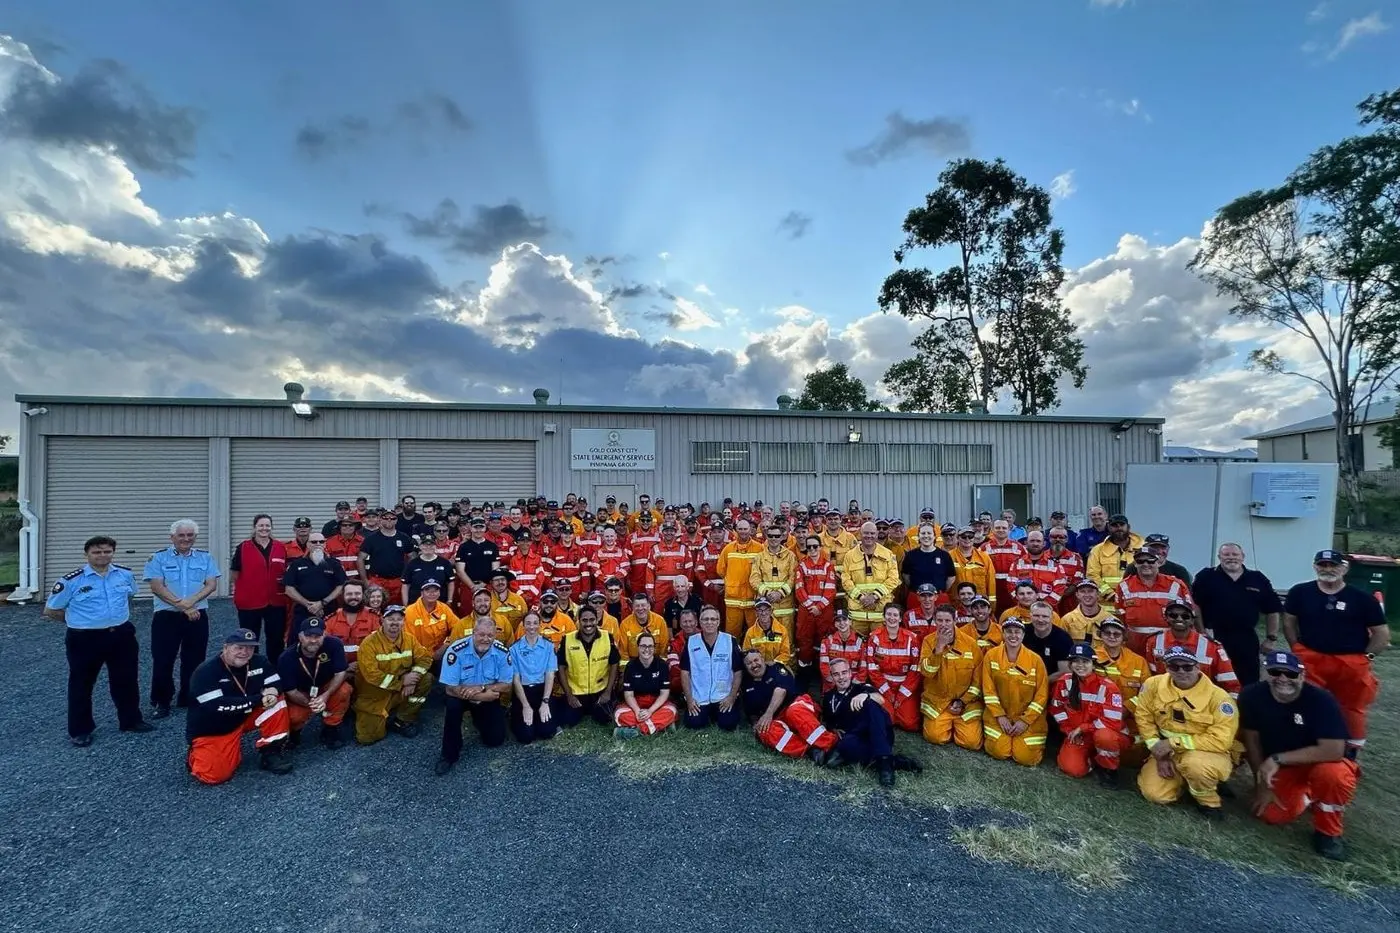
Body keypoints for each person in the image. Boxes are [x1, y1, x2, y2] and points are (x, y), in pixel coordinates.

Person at [1240, 651, 1358, 861]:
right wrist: (1262, 784)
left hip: (1324, 762)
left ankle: (1328, 834)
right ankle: (1309, 793)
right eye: (1275, 672)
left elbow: (1333, 750)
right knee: (1270, 815)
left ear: (1302, 676)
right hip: (1286, 769)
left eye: (1290, 674)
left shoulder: (1321, 700)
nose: (1283, 678)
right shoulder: (1251, 695)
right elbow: (1252, 742)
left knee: (1333, 775)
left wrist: (1277, 759)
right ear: (1266, 673)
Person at [44, 535, 154, 747]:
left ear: (113, 552)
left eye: (107, 551)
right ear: (87, 554)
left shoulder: (124, 574)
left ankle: (131, 720)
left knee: (126, 680)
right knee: (82, 684)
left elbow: (128, 597)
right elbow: (51, 610)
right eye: (97, 552)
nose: (102, 556)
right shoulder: (71, 581)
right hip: (84, 638)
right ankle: (80, 730)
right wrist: (79, 622)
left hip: (121, 635)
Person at [1283, 549, 1389, 756]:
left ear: (1345, 568)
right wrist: (1296, 647)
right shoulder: (1300, 592)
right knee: (1304, 700)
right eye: (1323, 565)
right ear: (1315, 567)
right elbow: (1289, 621)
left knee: (1352, 707)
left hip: (1350, 661)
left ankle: (1350, 750)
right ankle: (1305, 743)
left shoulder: (1363, 599)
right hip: (1312, 657)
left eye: (1334, 565)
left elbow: (1381, 633)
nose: (1328, 569)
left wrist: (1367, 657)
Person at [1135, 645, 1239, 820]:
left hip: (1205, 753)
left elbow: (1221, 740)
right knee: (1155, 795)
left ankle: (1208, 802)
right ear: (1167, 668)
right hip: (1165, 752)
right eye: (1174, 667)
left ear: (1198, 666)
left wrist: (1173, 743)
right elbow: (1143, 717)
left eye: (1187, 667)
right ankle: (1183, 783)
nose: (1181, 671)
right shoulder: (1152, 685)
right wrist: (1159, 753)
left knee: (1196, 766)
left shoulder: (1220, 699)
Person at [185, 629, 293, 784]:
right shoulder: (206, 671)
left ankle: (271, 752)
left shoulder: (259, 661)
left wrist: (271, 692)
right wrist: (259, 698)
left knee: (278, 701)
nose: (245, 652)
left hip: (244, 715)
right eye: (239, 647)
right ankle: (195, 755)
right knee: (215, 776)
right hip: (216, 727)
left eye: (249, 647)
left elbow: (276, 682)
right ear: (226, 647)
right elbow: (217, 706)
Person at [143, 519, 220, 718]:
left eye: (190, 535)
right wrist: (183, 606)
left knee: (195, 658)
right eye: (181, 535)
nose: (186, 539)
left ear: (195, 537)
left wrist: (190, 603)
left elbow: (211, 585)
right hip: (167, 616)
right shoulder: (158, 558)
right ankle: (162, 701)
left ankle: (190, 696)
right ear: (172, 537)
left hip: (197, 615)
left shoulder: (205, 557)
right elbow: (156, 587)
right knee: (163, 659)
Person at [1192, 543, 1283, 688]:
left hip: (1246, 638)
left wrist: (1271, 638)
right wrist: (1201, 631)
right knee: (1211, 679)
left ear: (1242, 557)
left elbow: (1272, 609)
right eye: (1226, 555)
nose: (1231, 558)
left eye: (1235, 555)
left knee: (1248, 680)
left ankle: (1245, 707)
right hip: (1213, 637)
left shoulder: (1257, 578)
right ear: (1219, 557)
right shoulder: (1206, 576)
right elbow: (1195, 605)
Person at [819, 657, 918, 786]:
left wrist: (866, 695)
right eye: (836, 674)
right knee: (844, 745)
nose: (841, 677)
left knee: (871, 705)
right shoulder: (828, 697)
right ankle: (892, 761)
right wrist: (834, 729)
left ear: (850, 673)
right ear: (831, 676)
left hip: (878, 733)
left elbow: (881, 700)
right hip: (856, 737)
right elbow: (829, 721)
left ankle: (885, 764)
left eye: (844, 672)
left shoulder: (862, 688)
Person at [435, 617, 513, 774]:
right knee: (452, 708)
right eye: (481, 634)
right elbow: (449, 688)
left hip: (485, 693)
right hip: (461, 696)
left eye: (490, 635)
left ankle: (479, 720)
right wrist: (481, 696)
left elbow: (507, 685)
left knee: (495, 740)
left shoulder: (502, 652)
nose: (485, 639)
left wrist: (481, 688)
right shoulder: (456, 650)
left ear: (495, 635)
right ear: (473, 632)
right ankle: (448, 755)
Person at [1050, 643, 1131, 786]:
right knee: (1072, 769)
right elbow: (1057, 710)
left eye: (1085, 661)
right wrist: (1069, 731)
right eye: (1075, 661)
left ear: (1093, 664)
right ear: (1070, 664)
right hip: (1078, 735)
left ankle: (1108, 770)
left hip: (1109, 735)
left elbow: (1111, 722)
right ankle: (1092, 760)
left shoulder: (1108, 687)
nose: (1080, 665)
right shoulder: (1064, 682)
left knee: (1104, 736)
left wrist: (1083, 728)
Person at [353, 605, 435, 745]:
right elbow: (372, 676)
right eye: (390, 619)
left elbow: (425, 658)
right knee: (367, 738)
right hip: (375, 693)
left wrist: (413, 677)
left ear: (403, 622)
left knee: (426, 678)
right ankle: (363, 710)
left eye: (399, 619)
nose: (395, 623)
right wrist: (402, 682)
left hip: (402, 688)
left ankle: (403, 718)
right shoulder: (368, 644)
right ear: (382, 620)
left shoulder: (409, 639)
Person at [738, 649, 836, 764]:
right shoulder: (746, 684)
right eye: (749, 663)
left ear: (762, 659)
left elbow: (781, 691)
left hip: (796, 704)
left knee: (793, 712)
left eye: (756, 660)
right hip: (778, 718)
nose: (754, 665)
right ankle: (811, 751)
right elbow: (751, 712)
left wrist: (768, 714)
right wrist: (756, 724)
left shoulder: (776, 668)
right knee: (764, 730)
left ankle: (831, 746)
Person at [980, 617, 1048, 766]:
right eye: (1009, 632)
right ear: (1003, 634)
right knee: (999, 752)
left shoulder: (1035, 660)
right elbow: (988, 690)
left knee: (1026, 758)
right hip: (999, 715)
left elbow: (1041, 696)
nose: (1013, 635)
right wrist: (1000, 716)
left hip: (1027, 718)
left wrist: (1025, 721)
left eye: (1017, 632)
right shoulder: (991, 656)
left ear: (1023, 635)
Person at [276, 616, 351, 749]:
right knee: (294, 716)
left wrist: (325, 696)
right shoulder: (286, 657)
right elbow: (290, 691)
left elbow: (341, 673)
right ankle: (294, 732)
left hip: (325, 687)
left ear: (324, 635)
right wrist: (310, 704)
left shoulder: (335, 644)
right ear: (300, 636)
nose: (313, 640)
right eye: (308, 636)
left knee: (344, 690)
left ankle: (330, 728)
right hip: (301, 693)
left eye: (318, 636)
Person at [918, 605, 984, 751]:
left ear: (955, 620)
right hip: (939, 701)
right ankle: (947, 726)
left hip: (965, 703)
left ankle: (958, 726)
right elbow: (926, 671)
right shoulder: (929, 641)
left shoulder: (970, 644)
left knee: (971, 743)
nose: (943, 624)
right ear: (934, 620)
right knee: (935, 737)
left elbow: (978, 680)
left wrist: (962, 701)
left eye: (947, 620)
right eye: (939, 620)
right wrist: (939, 647)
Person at [1145, 599, 1240, 697]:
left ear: (1192, 620)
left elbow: (1231, 685)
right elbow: (1151, 678)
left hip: (1202, 701)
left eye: (1185, 616)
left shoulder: (1212, 646)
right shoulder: (1153, 641)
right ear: (1166, 618)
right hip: (1165, 700)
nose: (1179, 619)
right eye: (1173, 615)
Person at [230, 514, 289, 659]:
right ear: (255, 527)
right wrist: (238, 589)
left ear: (271, 527)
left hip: (275, 601)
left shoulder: (280, 547)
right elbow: (234, 573)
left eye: (267, 525)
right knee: (249, 638)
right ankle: (250, 668)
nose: (264, 528)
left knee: (276, 639)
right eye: (261, 525)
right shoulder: (243, 547)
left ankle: (274, 670)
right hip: (250, 601)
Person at [1115, 550, 1191, 654]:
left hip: (1167, 642)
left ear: (1158, 562)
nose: (1145, 564)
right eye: (1140, 561)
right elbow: (1120, 614)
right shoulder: (1124, 586)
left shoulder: (1176, 585)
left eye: (1150, 560)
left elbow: (1189, 615)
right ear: (1135, 564)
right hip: (1134, 643)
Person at [680, 605, 744, 730]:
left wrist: (731, 697)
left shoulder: (730, 641)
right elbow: (684, 672)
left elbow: (738, 672)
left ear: (719, 622)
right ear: (700, 622)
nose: (709, 622)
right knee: (694, 724)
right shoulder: (691, 642)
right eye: (706, 619)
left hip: (722, 696)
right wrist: (689, 699)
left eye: (713, 619)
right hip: (700, 697)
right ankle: (705, 714)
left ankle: (720, 714)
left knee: (728, 724)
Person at [555, 607, 620, 726]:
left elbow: (614, 663)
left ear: (597, 620)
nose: (588, 624)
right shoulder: (567, 639)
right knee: (567, 721)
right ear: (578, 621)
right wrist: (569, 695)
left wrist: (608, 692)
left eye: (592, 620)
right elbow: (560, 667)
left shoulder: (607, 637)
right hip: (576, 692)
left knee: (606, 718)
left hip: (599, 691)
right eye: (585, 620)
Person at [865, 603, 921, 731]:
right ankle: (893, 711)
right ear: (884, 617)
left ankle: (900, 710)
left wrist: (901, 695)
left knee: (910, 724)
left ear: (900, 618)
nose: (892, 618)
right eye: (888, 614)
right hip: (884, 686)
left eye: (895, 615)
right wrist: (888, 693)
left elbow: (915, 669)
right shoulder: (875, 637)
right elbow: (872, 668)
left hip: (905, 686)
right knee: (886, 720)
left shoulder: (911, 639)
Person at [507, 611, 559, 745]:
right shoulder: (514, 649)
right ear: (523, 626)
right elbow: (516, 679)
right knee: (526, 737)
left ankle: (539, 716)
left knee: (547, 732)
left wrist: (545, 702)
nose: (532, 627)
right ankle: (520, 716)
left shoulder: (548, 646)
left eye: (535, 623)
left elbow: (549, 674)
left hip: (542, 691)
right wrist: (525, 705)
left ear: (540, 625)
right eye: (528, 623)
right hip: (523, 692)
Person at [282, 531, 347, 636]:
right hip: (303, 611)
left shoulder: (334, 564)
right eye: (314, 542)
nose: (318, 544)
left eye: (321, 542)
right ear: (308, 544)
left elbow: (341, 586)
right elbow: (288, 589)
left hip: (329, 611)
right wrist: (308, 605)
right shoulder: (297, 564)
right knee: (299, 641)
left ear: (325, 544)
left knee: (328, 640)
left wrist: (322, 603)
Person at [615, 633, 680, 738]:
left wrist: (650, 711)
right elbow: (628, 695)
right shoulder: (630, 666)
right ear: (638, 647)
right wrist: (636, 711)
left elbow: (664, 694)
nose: (647, 649)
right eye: (643, 646)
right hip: (636, 702)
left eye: (650, 646)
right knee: (619, 714)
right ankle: (661, 727)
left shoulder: (662, 665)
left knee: (671, 711)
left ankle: (634, 731)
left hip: (656, 703)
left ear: (654, 648)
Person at [794, 532, 838, 677]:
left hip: (824, 611)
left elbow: (831, 590)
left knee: (824, 640)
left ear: (820, 547)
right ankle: (805, 674)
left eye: (815, 546)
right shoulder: (802, 566)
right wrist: (811, 606)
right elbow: (799, 589)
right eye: (809, 547)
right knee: (804, 640)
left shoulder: (828, 566)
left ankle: (822, 673)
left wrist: (818, 607)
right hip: (806, 611)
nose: (812, 550)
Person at [717, 519, 765, 637]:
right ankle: (733, 654)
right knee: (732, 633)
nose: (743, 532)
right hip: (733, 599)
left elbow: (764, 570)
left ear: (750, 530)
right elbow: (720, 570)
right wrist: (732, 581)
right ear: (736, 530)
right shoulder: (728, 549)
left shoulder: (759, 548)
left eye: (745, 529)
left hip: (753, 598)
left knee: (756, 632)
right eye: (740, 529)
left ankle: (755, 654)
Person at [323, 580, 380, 673]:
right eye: (349, 594)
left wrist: (360, 663)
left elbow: (379, 647)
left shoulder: (375, 618)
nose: (353, 597)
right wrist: (344, 667)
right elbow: (326, 649)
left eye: (357, 594)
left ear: (363, 595)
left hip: (368, 668)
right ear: (342, 595)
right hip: (338, 670)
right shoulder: (331, 620)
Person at [403, 579, 460, 666]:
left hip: (442, 653)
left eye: (435, 590)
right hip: (418, 657)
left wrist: (446, 645)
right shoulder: (410, 611)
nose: (432, 593)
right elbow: (409, 641)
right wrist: (429, 655)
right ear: (421, 593)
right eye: (428, 590)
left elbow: (458, 628)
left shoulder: (444, 608)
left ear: (439, 593)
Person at [357, 508, 411, 598]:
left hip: (397, 581)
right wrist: (365, 581)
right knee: (376, 608)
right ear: (380, 519)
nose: (389, 520)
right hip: (377, 581)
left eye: (392, 518)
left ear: (396, 520)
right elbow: (360, 559)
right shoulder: (371, 539)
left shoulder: (404, 538)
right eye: (385, 518)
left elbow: (412, 557)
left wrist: (407, 577)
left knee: (397, 609)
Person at [901, 522, 954, 608]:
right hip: (916, 597)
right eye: (923, 533)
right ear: (918, 536)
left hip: (939, 597)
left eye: (929, 533)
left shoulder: (944, 555)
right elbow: (906, 576)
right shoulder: (910, 555)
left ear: (934, 536)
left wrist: (939, 589)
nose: (926, 536)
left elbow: (951, 577)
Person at [1023, 601, 1074, 676]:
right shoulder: (1022, 632)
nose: (1040, 620)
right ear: (1030, 616)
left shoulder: (1063, 639)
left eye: (1045, 616)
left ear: (1052, 617)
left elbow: (1064, 672)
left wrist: (1042, 683)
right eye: (1036, 616)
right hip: (1024, 678)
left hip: (1051, 682)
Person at [403, 534, 454, 607]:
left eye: (431, 545)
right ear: (420, 546)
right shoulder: (412, 563)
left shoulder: (445, 563)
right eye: (425, 545)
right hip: (416, 604)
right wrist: (405, 604)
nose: (428, 547)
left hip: (440, 604)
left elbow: (450, 582)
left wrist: (449, 600)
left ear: (435, 546)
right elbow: (405, 584)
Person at [742, 597, 794, 667]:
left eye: (766, 609)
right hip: (757, 667)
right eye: (760, 610)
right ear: (756, 613)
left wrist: (773, 663)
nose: (763, 613)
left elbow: (785, 654)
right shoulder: (750, 632)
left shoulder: (782, 630)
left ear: (771, 611)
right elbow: (746, 654)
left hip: (776, 666)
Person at [1060, 579, 1113, 644]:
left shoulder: (1110, 620)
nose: (1087, 594)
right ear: (1077, 595)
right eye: (1082, 591)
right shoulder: (1067, 620)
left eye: (1090, 591)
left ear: (1098, 594)